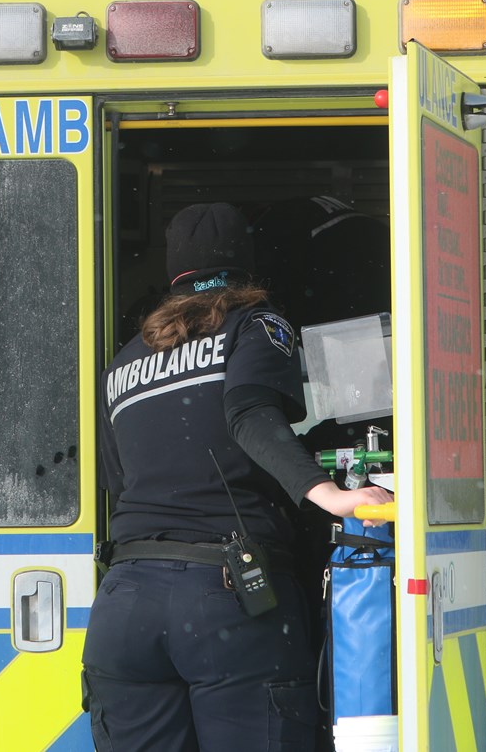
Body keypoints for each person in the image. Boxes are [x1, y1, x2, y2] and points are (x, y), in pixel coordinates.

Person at [82, 202, 392, 752]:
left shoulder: (123, 363)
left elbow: (117, 479)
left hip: (124, 603)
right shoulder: (256, 325)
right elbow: (249, 414)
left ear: (174, 275)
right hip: (227, 596)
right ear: (246, 266)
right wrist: (330, 496)